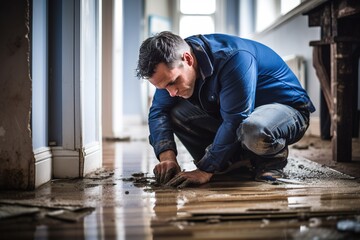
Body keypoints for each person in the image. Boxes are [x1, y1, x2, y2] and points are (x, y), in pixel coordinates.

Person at [136, 31, 315, 188]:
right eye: (162, 87)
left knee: (253, 129)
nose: (171, 92)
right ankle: (234, 161)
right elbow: (159, 111)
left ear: (188, 59)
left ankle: (270, 163)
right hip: (240, 116)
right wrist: (167, 157)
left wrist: (205, 169)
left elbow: (236, 120)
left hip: (288, 111)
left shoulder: (234, 57)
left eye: (173, 82)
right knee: (174, 113)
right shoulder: (174, 65)